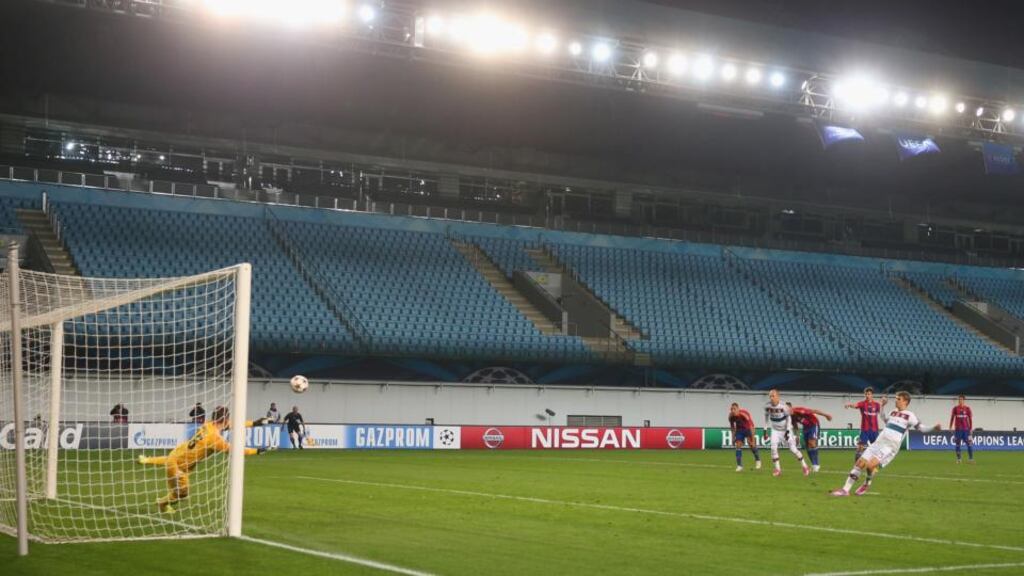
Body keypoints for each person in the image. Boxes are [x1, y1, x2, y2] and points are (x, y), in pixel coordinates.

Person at [138, 406, 272, 513]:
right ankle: (162, 503)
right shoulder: (215, 439)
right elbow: (235, 450)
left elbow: (233, 424)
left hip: (178, 453)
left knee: (171, 460)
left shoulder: (209, 425)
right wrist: (257, 450)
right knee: (182, 494)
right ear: (225, 420)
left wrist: (255, 423)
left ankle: (146, 460)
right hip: (178, 466)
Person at [831, 391, 940, 496]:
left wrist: (934, 428)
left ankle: (867, 483)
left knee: (870, 466)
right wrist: (882, 406)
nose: (896, 401)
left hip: (889, 447)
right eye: (896, 398)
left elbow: (922, 428)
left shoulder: (910, 415)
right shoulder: (893, 412)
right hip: (878, 442)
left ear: (905, 401)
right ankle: (845, 490)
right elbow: (884, 418)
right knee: (860, 463)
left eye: (898, 399)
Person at [764, 389, 809, 477]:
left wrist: (788, 430)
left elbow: (789, 418)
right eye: (770, 396)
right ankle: (777, 469)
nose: (771, 398)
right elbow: (766, 418)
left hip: (785, 430)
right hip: (775, 430)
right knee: (773, 448)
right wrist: (765, 430)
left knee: (793, 449)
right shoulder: (767, 406)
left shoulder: (784, 406)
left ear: (778, 397)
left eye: (773, 396)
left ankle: (805, 466)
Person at [786, 402, 833, 473]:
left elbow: (814, 411)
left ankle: (817, 464)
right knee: (807, 446)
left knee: (812, 443)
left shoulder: (800, 410)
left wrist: (826, 415)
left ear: (791, 408)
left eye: (787, 409)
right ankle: (814, 465)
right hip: (806, 427)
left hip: (814, 424)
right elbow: (795, 426)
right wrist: (797, 436)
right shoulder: (790, 417)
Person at [844, 387, 887, 463]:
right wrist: (849, 405)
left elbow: (882, 406)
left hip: (874, 430)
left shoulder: (876, 405)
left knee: (876, 447)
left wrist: (884, 402)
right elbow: (855, 405)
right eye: (866, 394)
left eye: (869, 394)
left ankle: (874, 463)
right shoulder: (863, 404)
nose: (867, 395)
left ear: (872, 395)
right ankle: (856, 464)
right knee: (860, 447)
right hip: (865, 429)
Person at [728, 402, 761, 472]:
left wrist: (753, 441)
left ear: (738, 409)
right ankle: (739, 466)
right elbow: (732, 428)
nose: (733, 411)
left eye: (734, 409)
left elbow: (751, 426)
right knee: (738, 445)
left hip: (748, 428)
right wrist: (733, 438)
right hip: (739, 430)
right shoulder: (731, 416)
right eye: (731, 409)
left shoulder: (744, 414)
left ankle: (758, 460)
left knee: (751, 444)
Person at [949, 395, 974, 464]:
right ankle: (959, 459)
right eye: (959, 399)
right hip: (958, 430)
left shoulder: (967, 408)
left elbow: (970, 419)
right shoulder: (955, 408)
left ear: (964, 400)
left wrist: (971, 428)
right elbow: (952, 418)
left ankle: (971, 459)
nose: (960, 401)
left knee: (969, 444)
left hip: (966, 430)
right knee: (957, 444)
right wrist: (950, 426)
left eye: (961, 399)